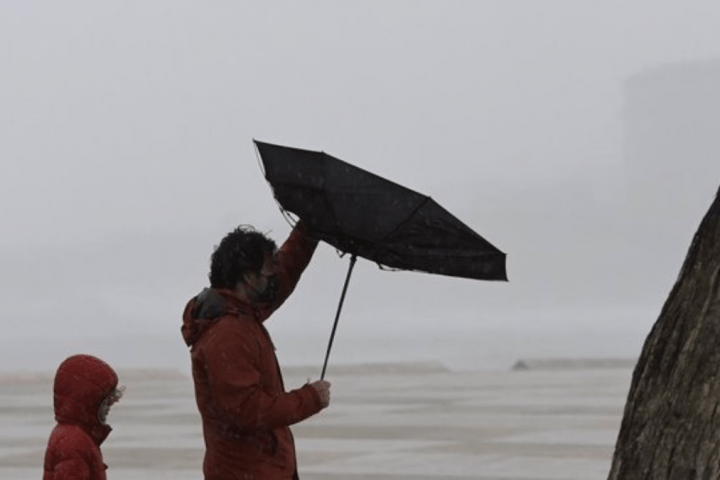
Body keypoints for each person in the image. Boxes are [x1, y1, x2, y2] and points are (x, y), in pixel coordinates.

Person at [182, 220, 331, 480]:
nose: (274, 274)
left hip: (263, 469)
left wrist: (309, 229)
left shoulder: (241, 313)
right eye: (268, 269)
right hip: (246, 473)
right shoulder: (227, 334)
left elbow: (285, 272)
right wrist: (310, 398)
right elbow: (247, 410)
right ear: (249, 278)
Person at [43, 354, 124, 480]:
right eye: (105, 402)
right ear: (88, 400)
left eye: (110, 402)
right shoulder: (73, 441)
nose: (109, 407)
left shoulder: (77, 435)